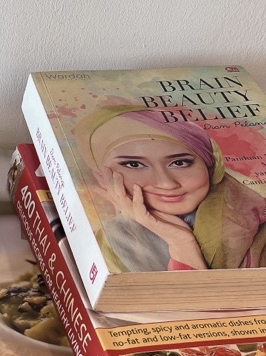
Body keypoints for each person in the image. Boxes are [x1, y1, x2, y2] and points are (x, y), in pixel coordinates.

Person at [75, 106, 266, 273]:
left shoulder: (258, 226)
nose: (166, 184)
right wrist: (181, 242)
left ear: (210, 166)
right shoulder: (109, 245)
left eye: (180, 162)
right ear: (102, 177)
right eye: (134, 164)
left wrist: (181, 244)